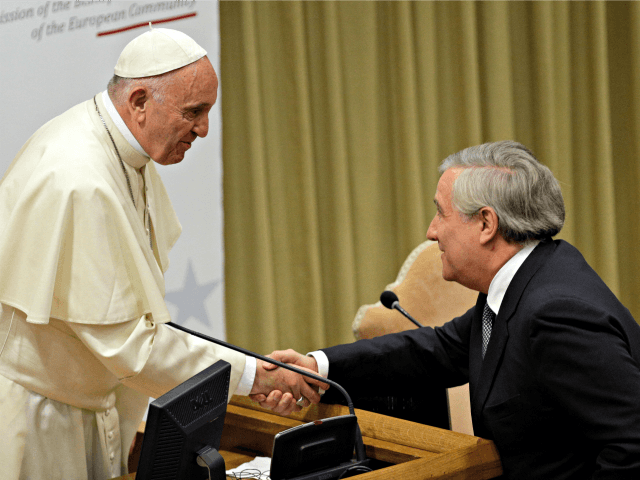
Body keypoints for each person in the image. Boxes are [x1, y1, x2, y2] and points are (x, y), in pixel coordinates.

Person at [0, 27, 322, 480]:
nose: (205, 129)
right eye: (194, 112)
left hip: (90, 407)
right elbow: (131, 343)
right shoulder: (78, 179)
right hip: (42, 424)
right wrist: (255, 377)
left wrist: (252, 373)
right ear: (139, 102)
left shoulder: (125, 151)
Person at [254, 141, 640, 479]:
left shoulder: (555, 314)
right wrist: (317, 368)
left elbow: (631, 445)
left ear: (486, 223)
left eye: (441, 212)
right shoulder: (526, 278)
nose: (431, 231)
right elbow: (438, 350)